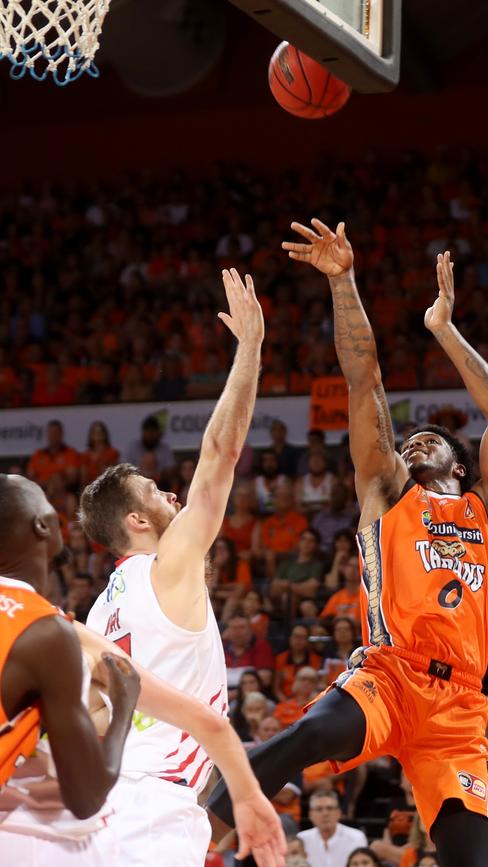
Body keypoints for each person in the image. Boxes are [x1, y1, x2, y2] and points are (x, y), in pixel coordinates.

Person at [209, 222, 488, 867]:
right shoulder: (388, 491)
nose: (415, 440)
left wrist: (443, 329)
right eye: (410, 438)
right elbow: (365, 379)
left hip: (460, 706)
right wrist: (343, 281)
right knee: (305, 737)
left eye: (431, 438)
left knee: (469, 856)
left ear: (460, 465)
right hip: (393, 673)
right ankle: (182, 829)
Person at [79, 269, 284, 867]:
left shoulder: (99, 610)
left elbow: (91, 714)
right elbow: (220, 455)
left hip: (105, 803)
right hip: (153, 807)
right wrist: (250, 349)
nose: (171, 495)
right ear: (136, 524)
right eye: (155, 492)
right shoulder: (167, 565)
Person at [0, 473, 140, 860]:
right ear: (41, 525)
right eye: (47, 502)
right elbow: (86, 796)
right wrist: (123, 706)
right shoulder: (43, 631)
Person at [297, 791, 368, 867]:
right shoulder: (301, 839)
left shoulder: (356, 837)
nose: (325, 813)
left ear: (339, 813)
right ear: (310, 815)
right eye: (319, 809)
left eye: (330, 808)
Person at [26, 419, 80, 488]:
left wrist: (53, 483)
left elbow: (72, 479)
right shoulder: (38, 453)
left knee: (56, 477)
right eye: (51, 432)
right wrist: (48, 483)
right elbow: (30, 477)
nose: (53, 435)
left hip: (62, 492)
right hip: (40, 490)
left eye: (56, 432)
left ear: (61, 434)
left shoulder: (70, 453)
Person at [80, 421, 120, 486]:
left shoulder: (112, 452)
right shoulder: (85, 455)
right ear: (90, 435)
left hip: (108, 486)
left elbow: (116, 474)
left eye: (100, 432)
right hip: (90, 488)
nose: (98, 434)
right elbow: (83, 479)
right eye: (95, 432)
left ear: (105, 434)